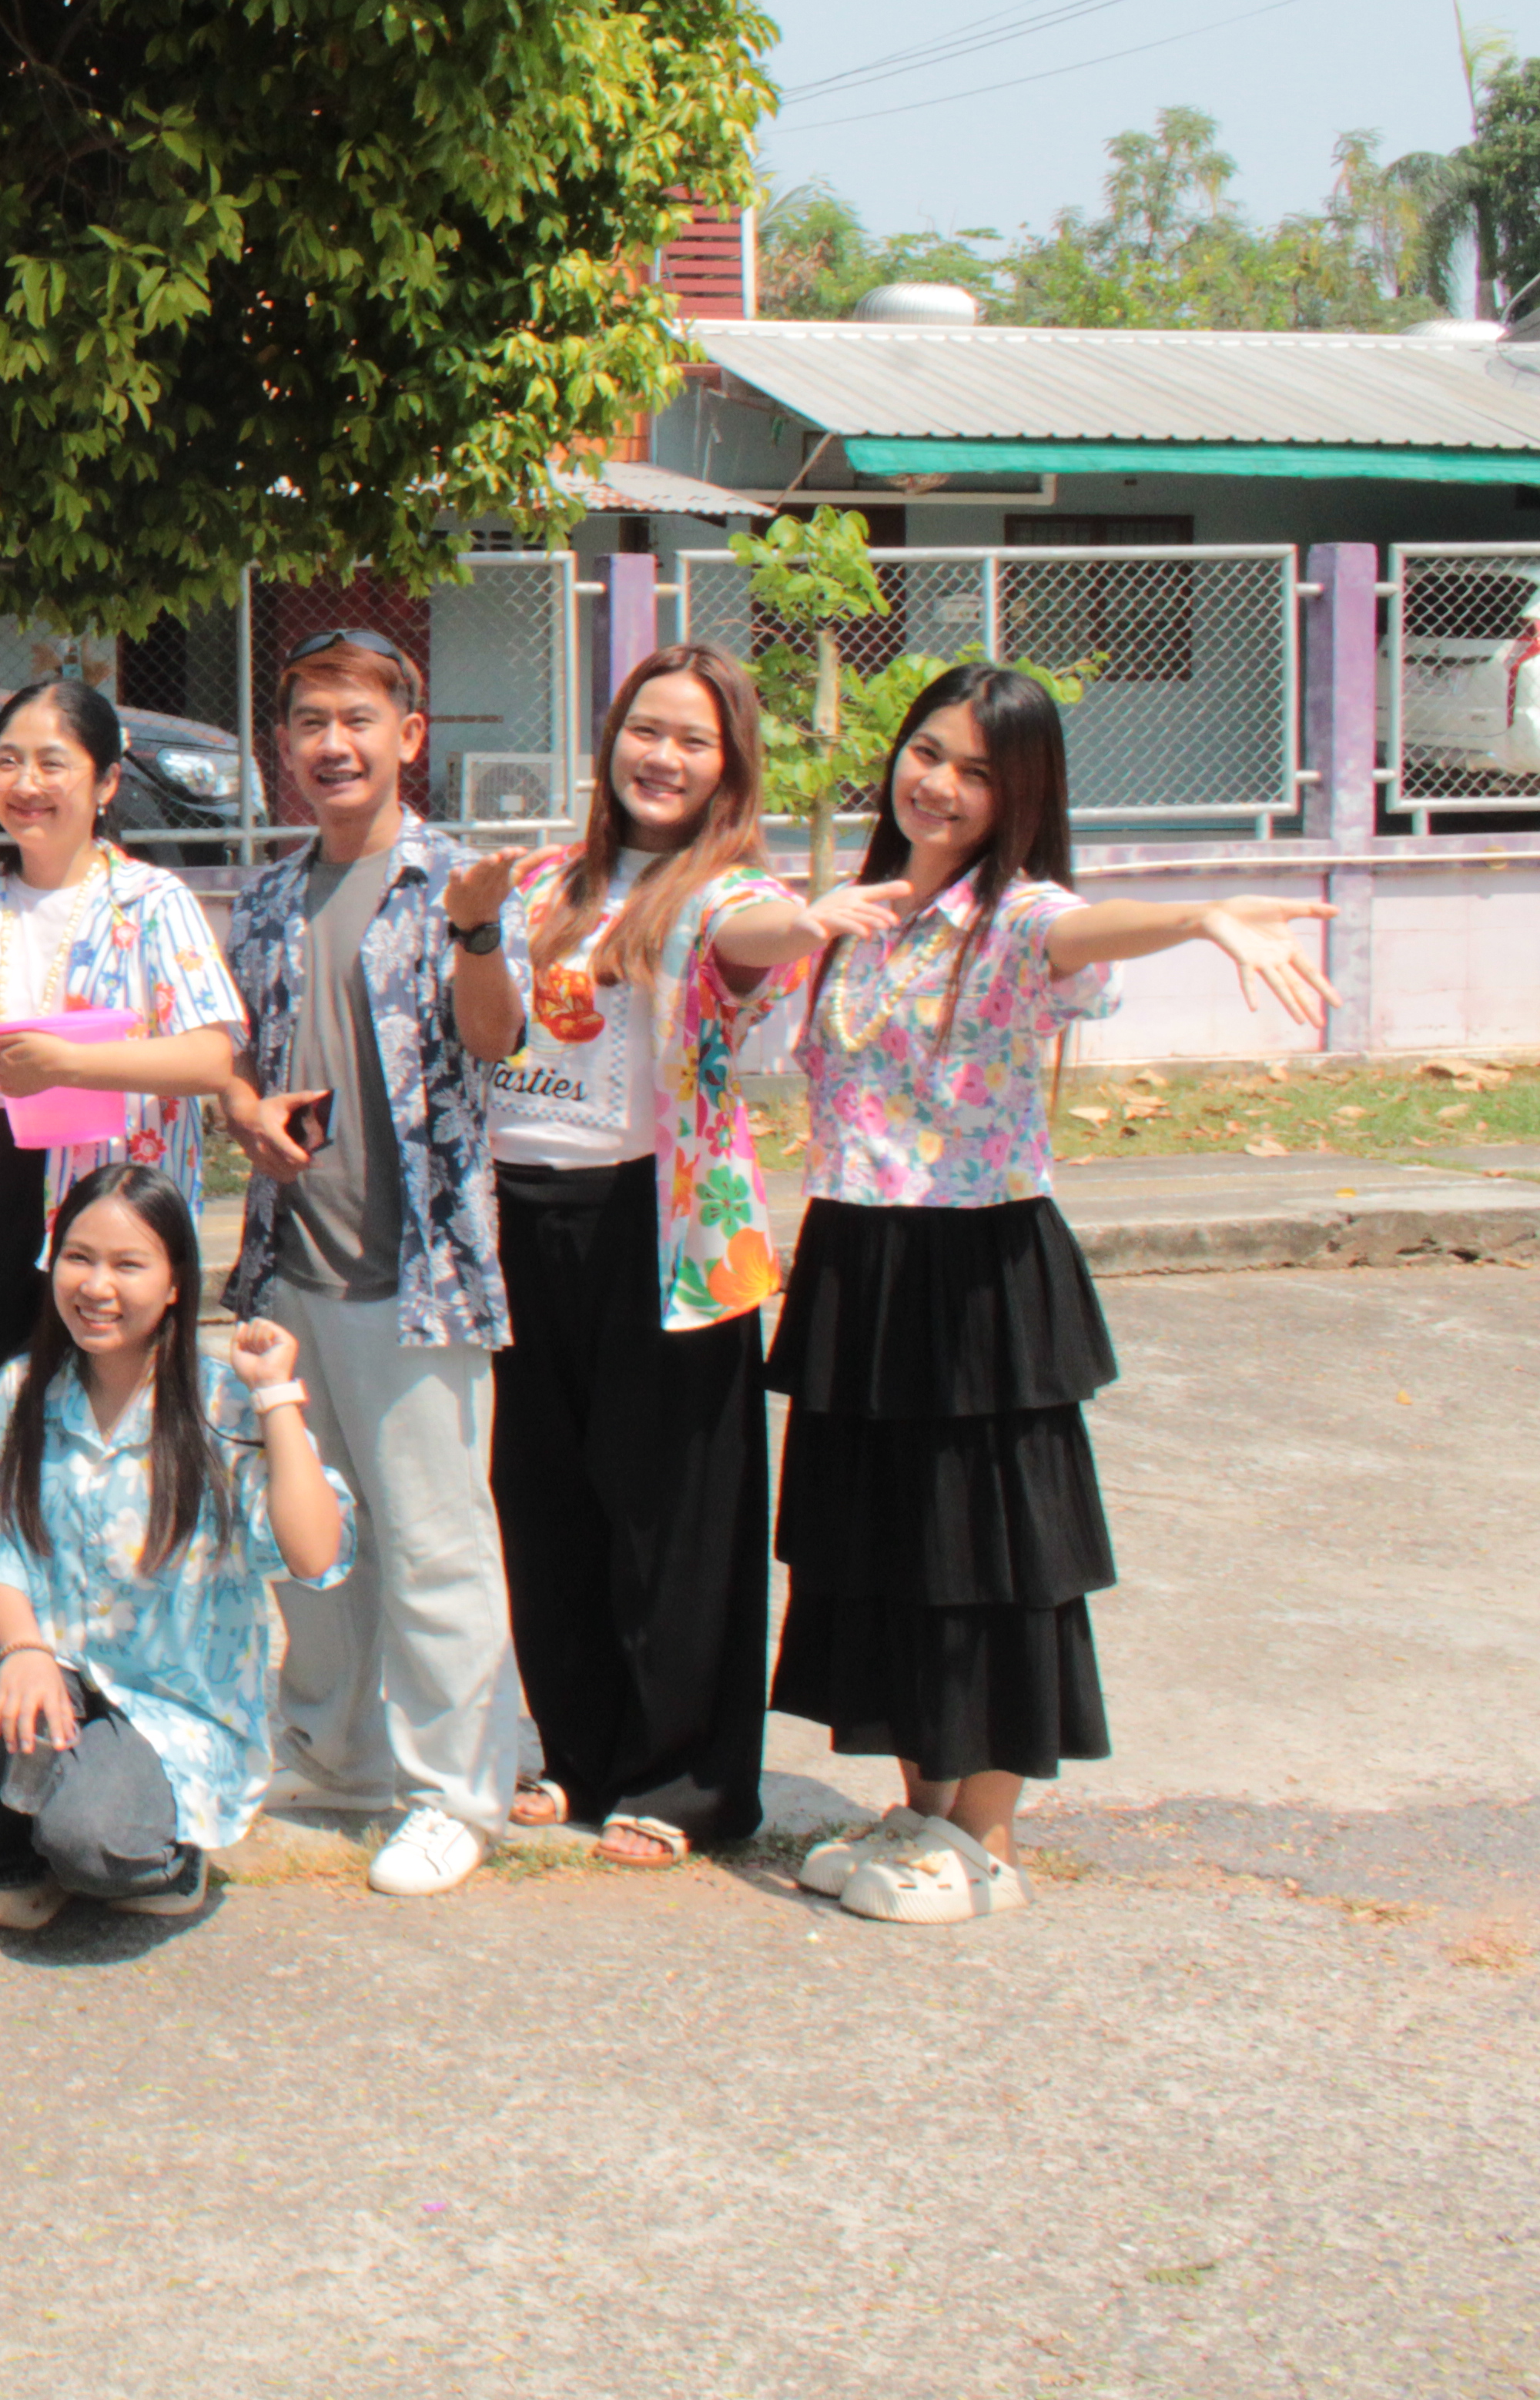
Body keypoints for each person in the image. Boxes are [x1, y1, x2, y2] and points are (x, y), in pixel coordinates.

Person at [775, 665, 1328, 1928]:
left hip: (976, 1270)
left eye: (978, 771)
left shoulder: (1019, 916)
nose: (942, 785)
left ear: (1018, 795)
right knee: (883, 1548)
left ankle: (990, 1835)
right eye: (928, 753)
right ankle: (920, 1806)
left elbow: (1083, 934)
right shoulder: (863, 919)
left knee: (986, 1556)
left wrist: (1198, 919)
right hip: (860, 1257)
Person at [483, 646, 831, 1867]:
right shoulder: (541, 880)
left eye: (693, 741)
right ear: (611, 737)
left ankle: (685, 1780)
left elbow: (768, 934)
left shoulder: (723, 893)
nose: (662, 757)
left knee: (674, 1514)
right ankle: (576, 1754)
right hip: (520, 1218)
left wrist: (817, 921)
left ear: (729, 767)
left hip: (664, 1233)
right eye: (646, 729)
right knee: (544, 1496)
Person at [222, 631, 524, 1897]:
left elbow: (496, 1043)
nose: (330, 745)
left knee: (437, 1544)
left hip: (424, 1279)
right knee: (316, 1540)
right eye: (306, 723)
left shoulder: (461, 884)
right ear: (282, 749)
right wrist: (240, 1112)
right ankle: (334, 1757)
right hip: (296, 1273)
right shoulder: (269, 899)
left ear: (411, 732)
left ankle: (456, 1793)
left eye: (356, 719)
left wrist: (475, 935)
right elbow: (237, 1064)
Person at [0, 675, 253, 1656]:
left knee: (105, 1430)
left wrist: (75, 1062)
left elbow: (213, 1055)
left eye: (54, 762)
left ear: (106, 781)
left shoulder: (152, 900)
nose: (26, 783)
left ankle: (113, 1661)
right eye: (8, 761)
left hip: (109, 1216)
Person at [0, 1167, 352, 1933]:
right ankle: (14, 1857)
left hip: (173, 1712)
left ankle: (158, 1849)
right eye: (78, 1258)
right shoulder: (22, 1390)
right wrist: (24, 1648)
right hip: (60, 1677)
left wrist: (277, 1396)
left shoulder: (222, 1401)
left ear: (177, 1284)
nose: (96, 1285)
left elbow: (315, 1552)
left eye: (128, 1265)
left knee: (96, 1843)